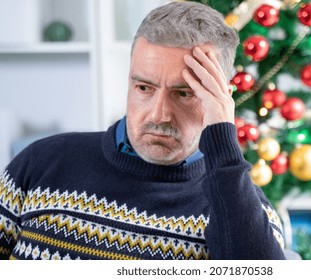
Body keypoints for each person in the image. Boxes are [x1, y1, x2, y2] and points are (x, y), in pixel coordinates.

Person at [0, 1, 286, 260]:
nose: (158, 114)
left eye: (184, 93)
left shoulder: (239, 206)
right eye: (144, 88)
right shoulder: (42, 162)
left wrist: (222, 136)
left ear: (221, 99)